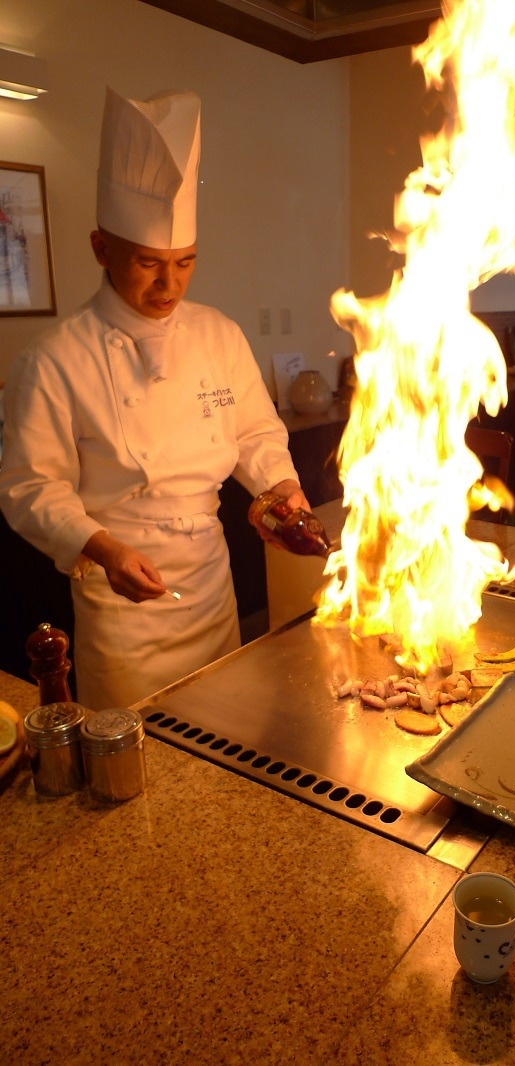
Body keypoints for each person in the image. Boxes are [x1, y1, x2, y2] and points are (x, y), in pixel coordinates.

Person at [0, 86, 310, 710]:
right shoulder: (54, 358)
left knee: (228, 733)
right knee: (144, 762)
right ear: (100, 248)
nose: (169, 284)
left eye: (186, 262)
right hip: (123, 601)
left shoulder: (219, 333)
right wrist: (105, 550)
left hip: (209, 583)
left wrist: (283, 490)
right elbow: (31, 487)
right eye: (148, 264)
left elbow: (255, 433)